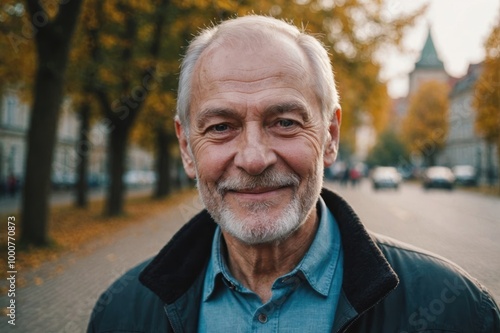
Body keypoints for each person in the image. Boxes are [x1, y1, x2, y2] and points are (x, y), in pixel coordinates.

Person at [87, 15, 499, 332]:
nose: (253, 159)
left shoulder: (460, 313)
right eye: (220, 127)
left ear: (330, 136)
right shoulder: (121, 314)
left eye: (284, 122)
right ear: (186, 149)